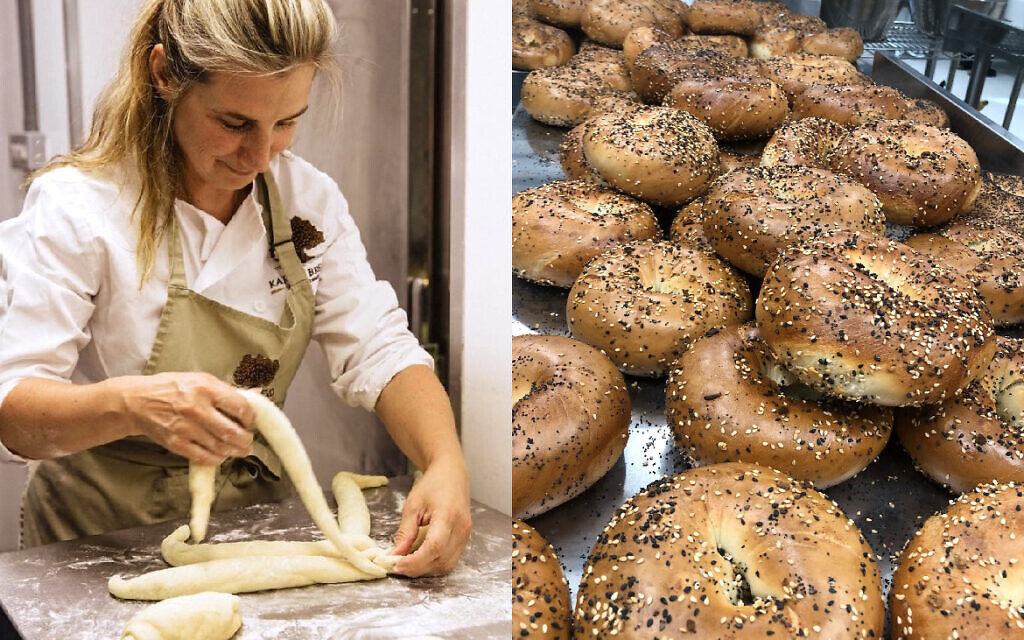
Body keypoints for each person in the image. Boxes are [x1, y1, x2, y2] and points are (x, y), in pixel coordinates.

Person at [0, 0, 470, 577]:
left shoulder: (305, 205)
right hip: (93, 540)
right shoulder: (80, 207)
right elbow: (15, 409)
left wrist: (444, 460)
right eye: (235, 123)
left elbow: (379, 348)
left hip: (245, 533)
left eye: (287, 121)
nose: (261, 155)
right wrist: (135, 405)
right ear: (164, 74)